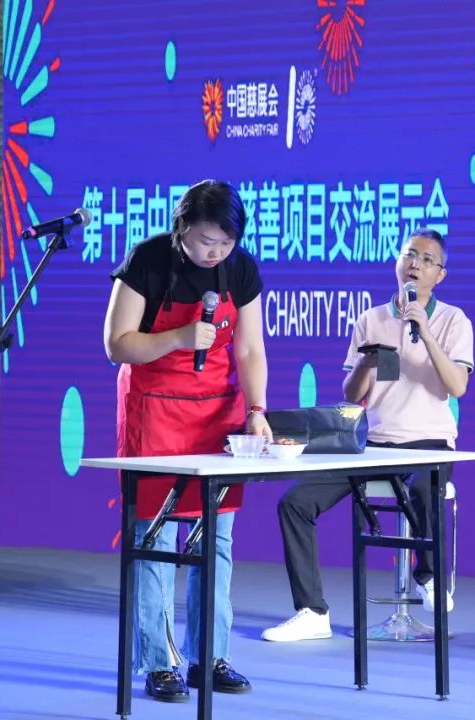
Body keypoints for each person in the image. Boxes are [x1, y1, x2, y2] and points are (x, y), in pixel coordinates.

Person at [261, 228, 473, 642]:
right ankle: (312, 611)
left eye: (427, 259)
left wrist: (425, 332)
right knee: (295, 503)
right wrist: (367, 363)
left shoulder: (453, 320)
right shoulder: (371, 320)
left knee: (425, 489)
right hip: (372, 445)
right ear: (397, 262)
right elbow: (352, 395)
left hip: (429, 446)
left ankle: (429, 576)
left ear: (440, 275)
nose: (415, 264)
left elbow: (457, 386)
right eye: (409, 255)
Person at [105, 179, 273, 699]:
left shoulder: (241, 269)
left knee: (215, 539)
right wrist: (178, 337)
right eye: (206, 240)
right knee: (154, 539)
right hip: (155, 410)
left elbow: (249, 350)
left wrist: (257, 410)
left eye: (226, 242)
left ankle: (210, 656)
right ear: (181, 228)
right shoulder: (148, 260)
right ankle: (159, 662)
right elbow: (117, 344)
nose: (216, 251)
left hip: (216, 415)